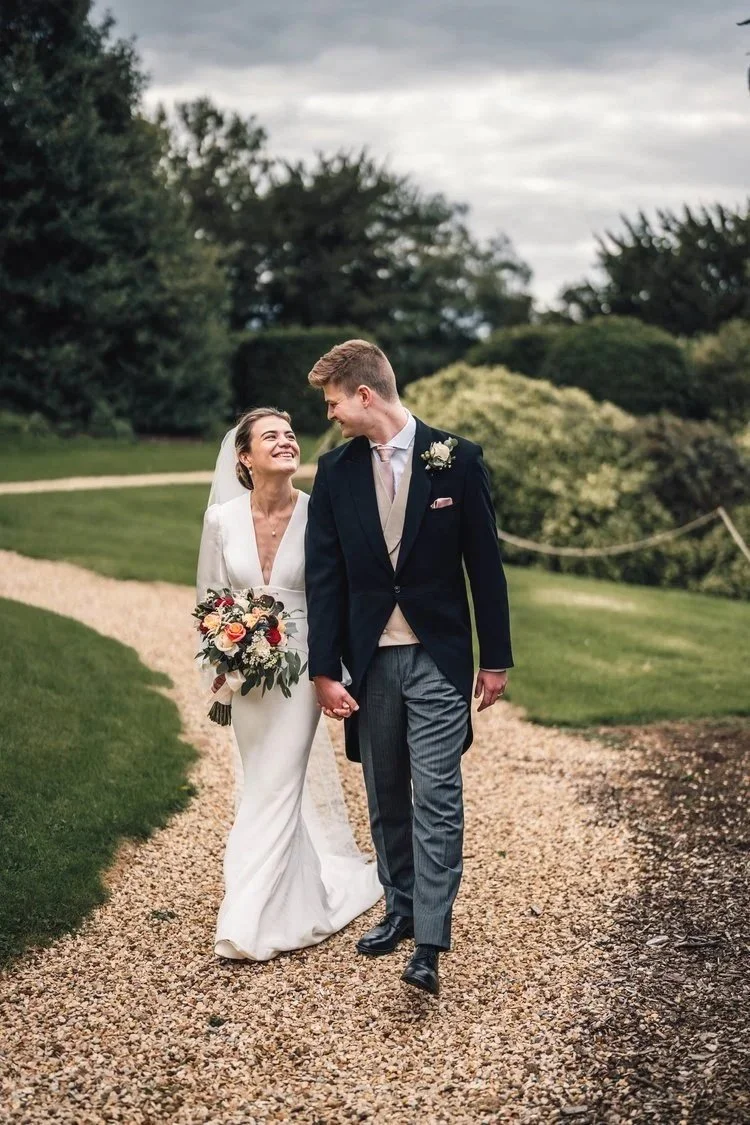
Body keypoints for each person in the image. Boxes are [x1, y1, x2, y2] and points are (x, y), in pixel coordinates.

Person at [304, 341, 513, 997]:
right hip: (370, 662)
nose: (332, 414)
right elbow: (325, 578)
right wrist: (325, 669)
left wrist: (496, 657)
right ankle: (399, 906)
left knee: (439, 795)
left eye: (334, 401)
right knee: (385, 793)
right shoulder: (335, 471)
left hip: (439, 657)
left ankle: (429, 941)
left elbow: (485, 565)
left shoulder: (457, 458)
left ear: (365, 395)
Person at [196, 407, 382, 961]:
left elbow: (339, 595)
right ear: (244, 457)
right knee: (262, 781)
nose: (285, 441)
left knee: (276, 782)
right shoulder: (221, 520)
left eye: (290, 434)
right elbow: (210, 597)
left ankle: (247, 917)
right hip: (247, 671)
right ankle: (293, 900)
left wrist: (337, 671)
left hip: (304, 666)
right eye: (270, 436)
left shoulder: (317, 511)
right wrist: (220, 668)